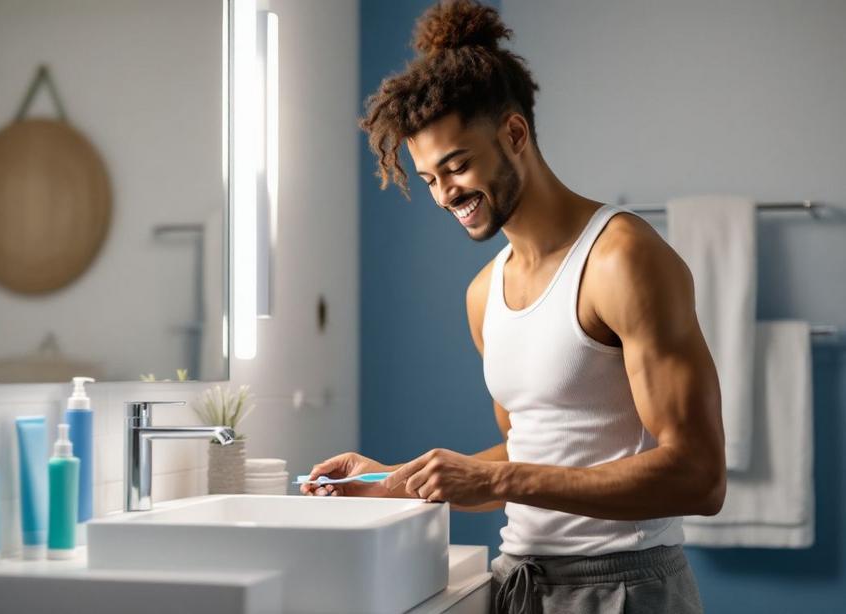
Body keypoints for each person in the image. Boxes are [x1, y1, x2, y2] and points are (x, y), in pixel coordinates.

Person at [301, 1, 725, 611]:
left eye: (458, 166)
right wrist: (393, 483)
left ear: (515, 134)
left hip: (625, 589)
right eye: (429, 180)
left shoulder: (621, 259)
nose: (447, 195)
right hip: (520, 585)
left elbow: (700, 476)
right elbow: (534, 455)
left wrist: (495, 478)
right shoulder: (484, 294)